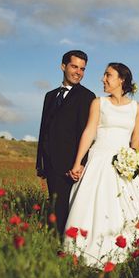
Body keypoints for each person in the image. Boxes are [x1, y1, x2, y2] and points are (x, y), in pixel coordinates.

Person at [63, 62, 139, 267]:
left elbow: (136, 138)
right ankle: (86, 253)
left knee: (128, 208)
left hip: (123, 164)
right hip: (98, 160)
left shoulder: (137, 108)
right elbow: (89, 132)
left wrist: (133, 158)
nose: (103, 79)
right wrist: (78, 162)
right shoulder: (99, 103)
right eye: (104, 75)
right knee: (92, 205)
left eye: (108, 75)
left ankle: (128, 254)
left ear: (121, 80)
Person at [36, 50, 96, 235]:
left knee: (70, 210)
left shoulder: (87, 96)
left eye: (82, 69)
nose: (78, 72)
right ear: (63, 66)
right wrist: (41, 162)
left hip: (72, 165)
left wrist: (81, 164)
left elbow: (87, 133)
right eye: (74, 66)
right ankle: (55, 245)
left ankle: (66, 248)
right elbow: (43, 130)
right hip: (51, 164)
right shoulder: (50, 96)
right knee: (55, 208)